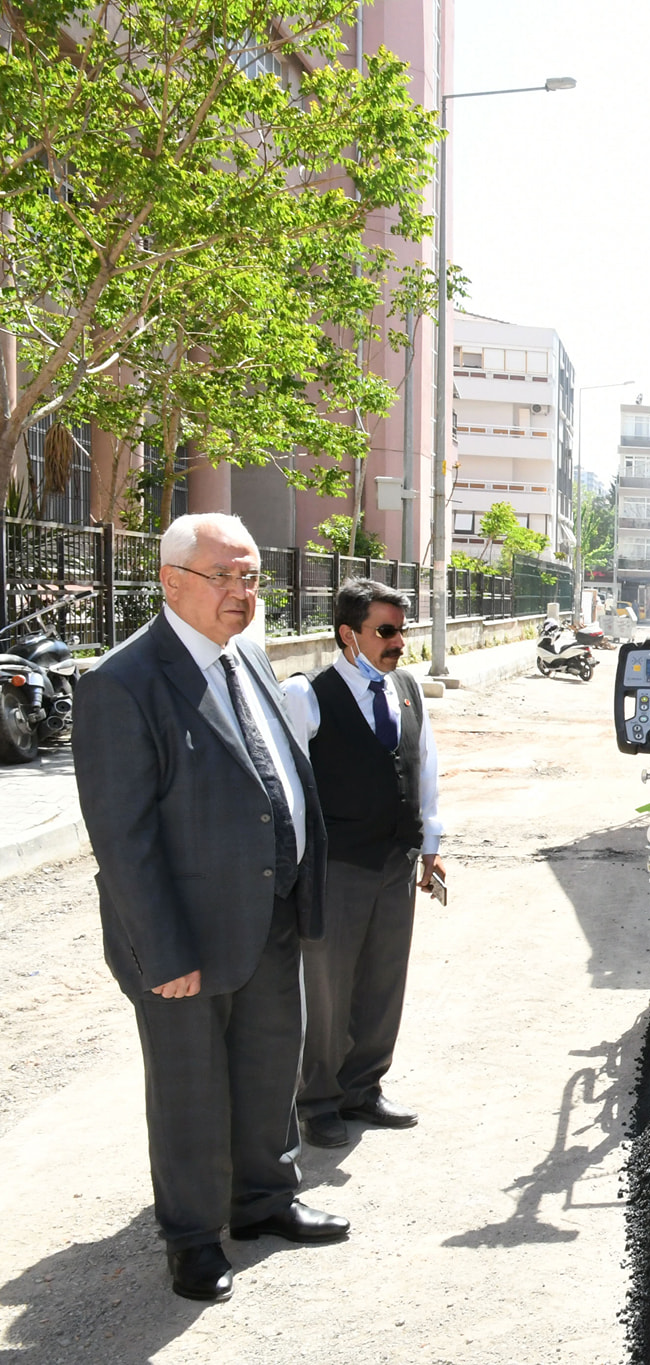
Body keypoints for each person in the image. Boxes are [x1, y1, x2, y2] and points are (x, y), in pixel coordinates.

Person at [73, 513, 347, 1304]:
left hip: (270, 914)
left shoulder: (250, 659)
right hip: (184, 937)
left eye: (252, 575)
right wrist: (163, 954)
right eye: (224, 575)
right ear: (170, 580)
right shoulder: (122, 683)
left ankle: (265, 1199)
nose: (242, 591)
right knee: (191, 1091)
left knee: (268, 1071)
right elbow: (124, 843)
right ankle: (192, 1237)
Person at [283, 578, 444, 1149]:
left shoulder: (406, 688)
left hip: (394, 860)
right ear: (349, 635)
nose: (399, 641)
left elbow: (423, 765)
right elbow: (290, 788)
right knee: (327, 989)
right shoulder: (306, 695)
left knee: (383, 980)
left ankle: (364, 1087)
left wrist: (431, 842)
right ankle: (319, 1100)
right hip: (336, 866)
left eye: (403, 629)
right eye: (387, 631)